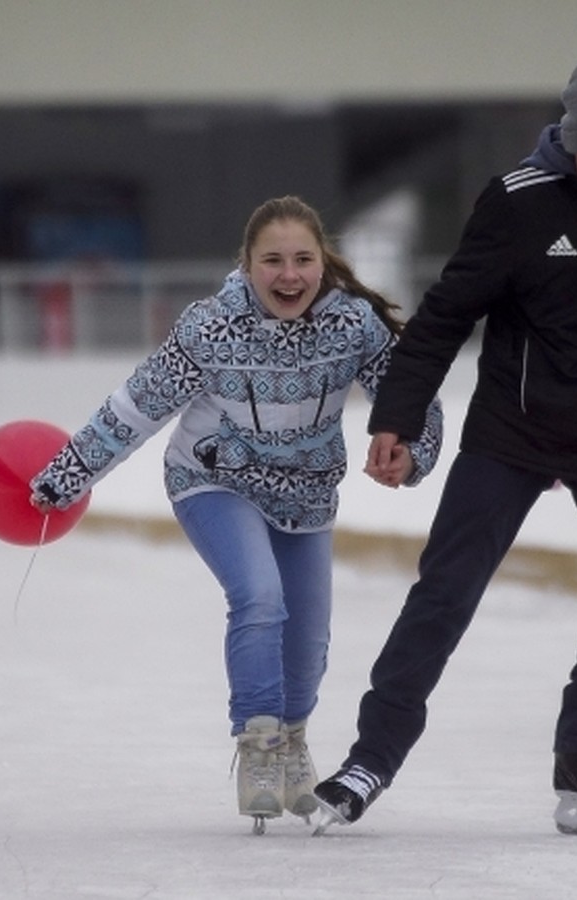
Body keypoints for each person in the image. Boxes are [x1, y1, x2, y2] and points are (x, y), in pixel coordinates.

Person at [311, 56, 577, 837]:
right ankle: (373, 754)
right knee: (447, 587)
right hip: (517, 426)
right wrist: (394, 419)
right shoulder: (519, 202)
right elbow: (444, 317)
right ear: (568, 145)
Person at [28, 195, 443, 833]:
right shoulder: (209, 326)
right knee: (259, 597)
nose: (289, 275)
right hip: (212, 480)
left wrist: (411, 451)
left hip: (305, 496)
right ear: (247, 266)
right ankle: (259, 747)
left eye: (303, 259)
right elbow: (134, 407)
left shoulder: (352, 325)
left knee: (307, 643)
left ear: (322, 263)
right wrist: (69, 472)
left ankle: (294, 736)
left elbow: (412, 393)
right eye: (272, 260)